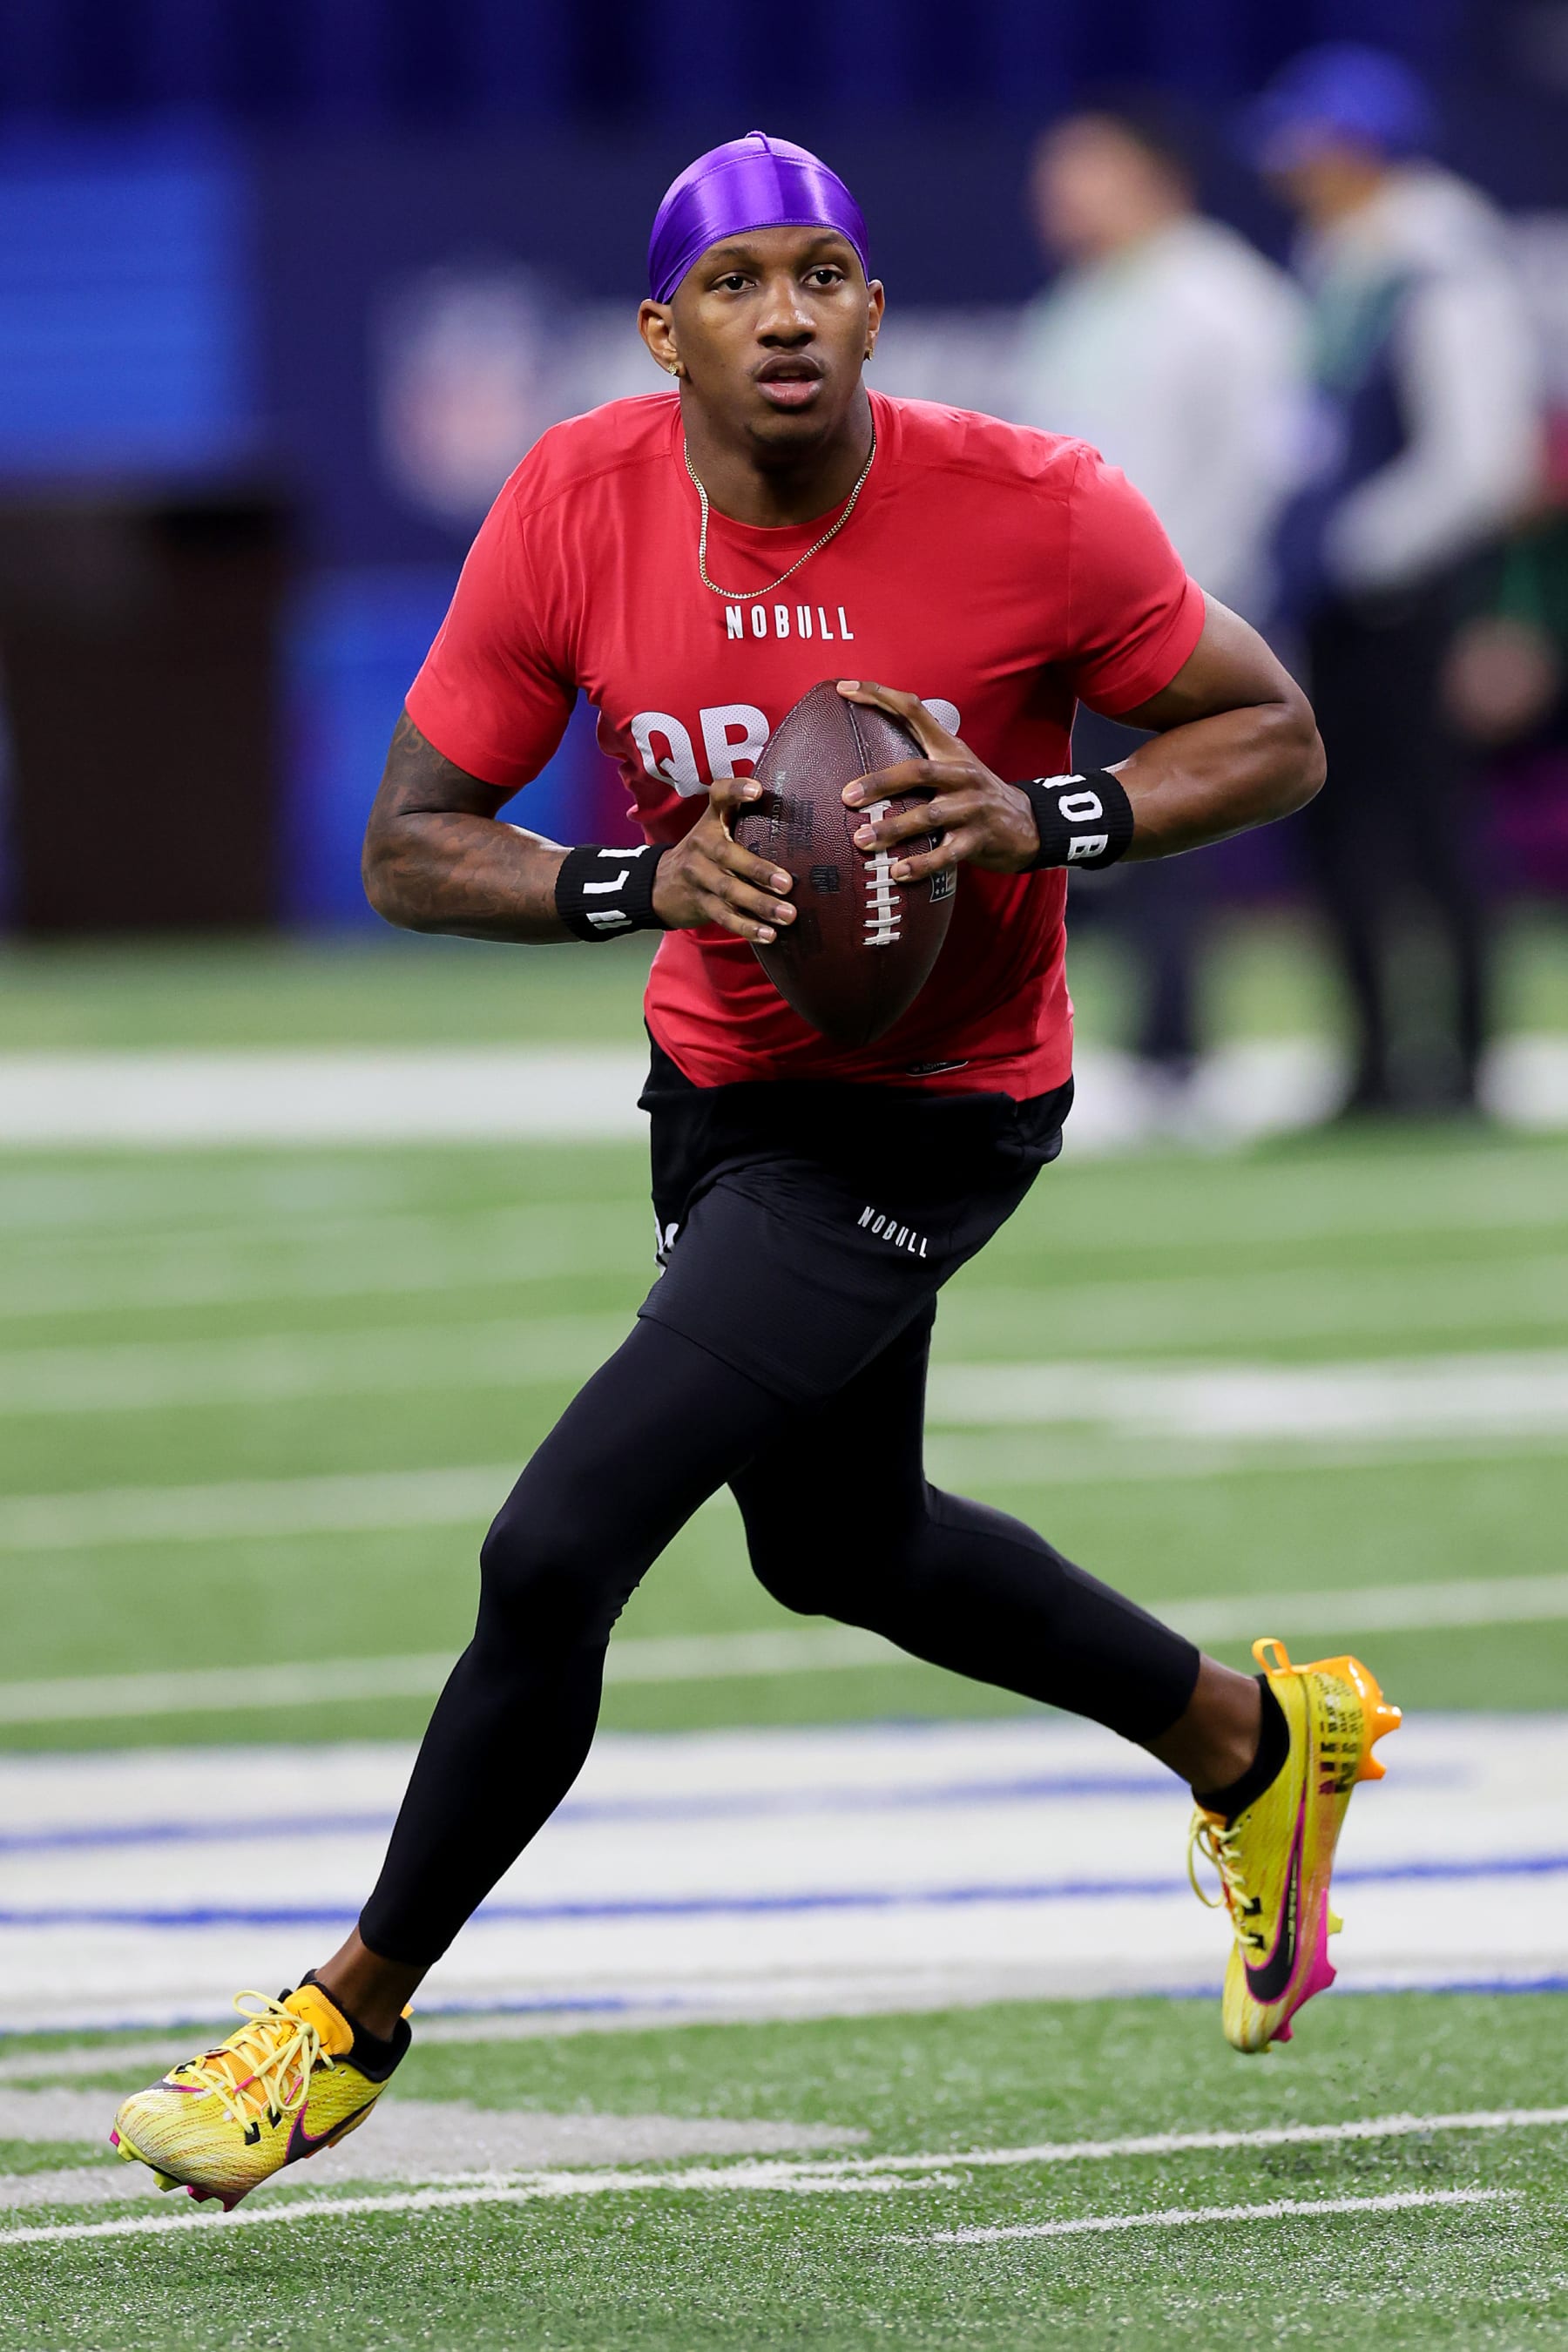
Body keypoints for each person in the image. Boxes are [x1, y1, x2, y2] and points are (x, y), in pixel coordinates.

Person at [109, 131, 1397, 2213]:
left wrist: (1049, 818)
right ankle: (1254, 1742)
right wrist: (630, 877)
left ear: (875, 308)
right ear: (661, 332)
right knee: (842, 1542)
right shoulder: (577, 497)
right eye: (738, 285)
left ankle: (344, 2014)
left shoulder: (1036, 504)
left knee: (556, 1544)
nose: (786, 313)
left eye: (825, 275)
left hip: (937, 1105)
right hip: (722, 1087)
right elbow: (411, 841)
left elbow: (1272, 731)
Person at [1251, 44, 1542, 1115]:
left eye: (1310, 148)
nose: (1291, 170)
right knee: (1343, 826)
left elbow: (1484, 459)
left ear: (1360, 148)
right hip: (1345, 595)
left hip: (1411, 593)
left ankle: (1459, 1064)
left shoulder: (1439, 259)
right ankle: (1374, 1061)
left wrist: (1358, 551)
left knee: (1426, 822)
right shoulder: (1344, 253)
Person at [1015, 107, 1308, 1099]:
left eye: (1080, 172)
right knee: (1079, 830)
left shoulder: (1224, 296)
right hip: (1076, 619)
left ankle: (1175, 1050)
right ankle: (1096, 1041)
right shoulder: (1081, 301)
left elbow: (1264, 464)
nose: (1055, 196)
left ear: (1149, 175)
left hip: (1174, 616)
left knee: (1159, 825)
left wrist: (1191, 599)